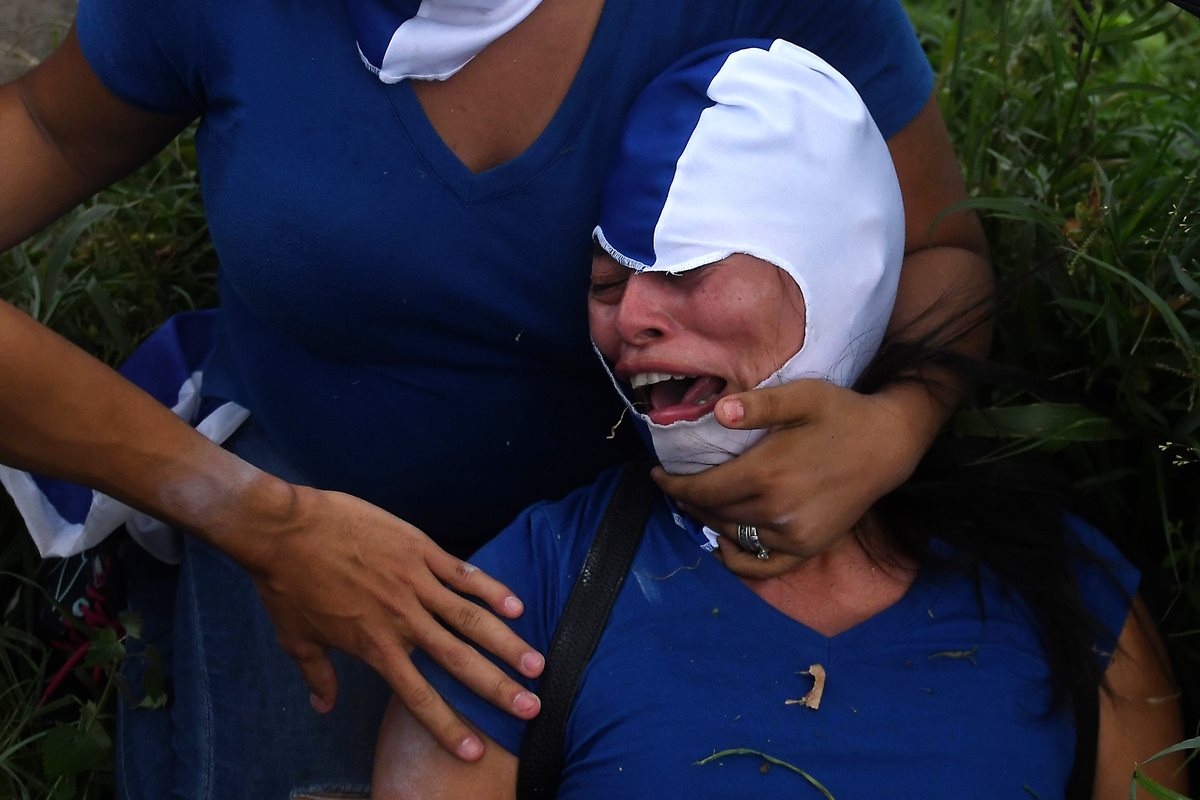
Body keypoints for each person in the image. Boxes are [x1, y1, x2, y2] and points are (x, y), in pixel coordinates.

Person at [0, 1, 991, 796]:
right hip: (301, 503)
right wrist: (254, 518)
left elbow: (940, 246)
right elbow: (50, 125)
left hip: (671, 525)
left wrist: (892, 426)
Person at [372, 41, 1186, 799]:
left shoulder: (1074, 596)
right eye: (607, 284)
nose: (631, 319)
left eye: (686, 267)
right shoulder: (528, 592)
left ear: (837, 271)